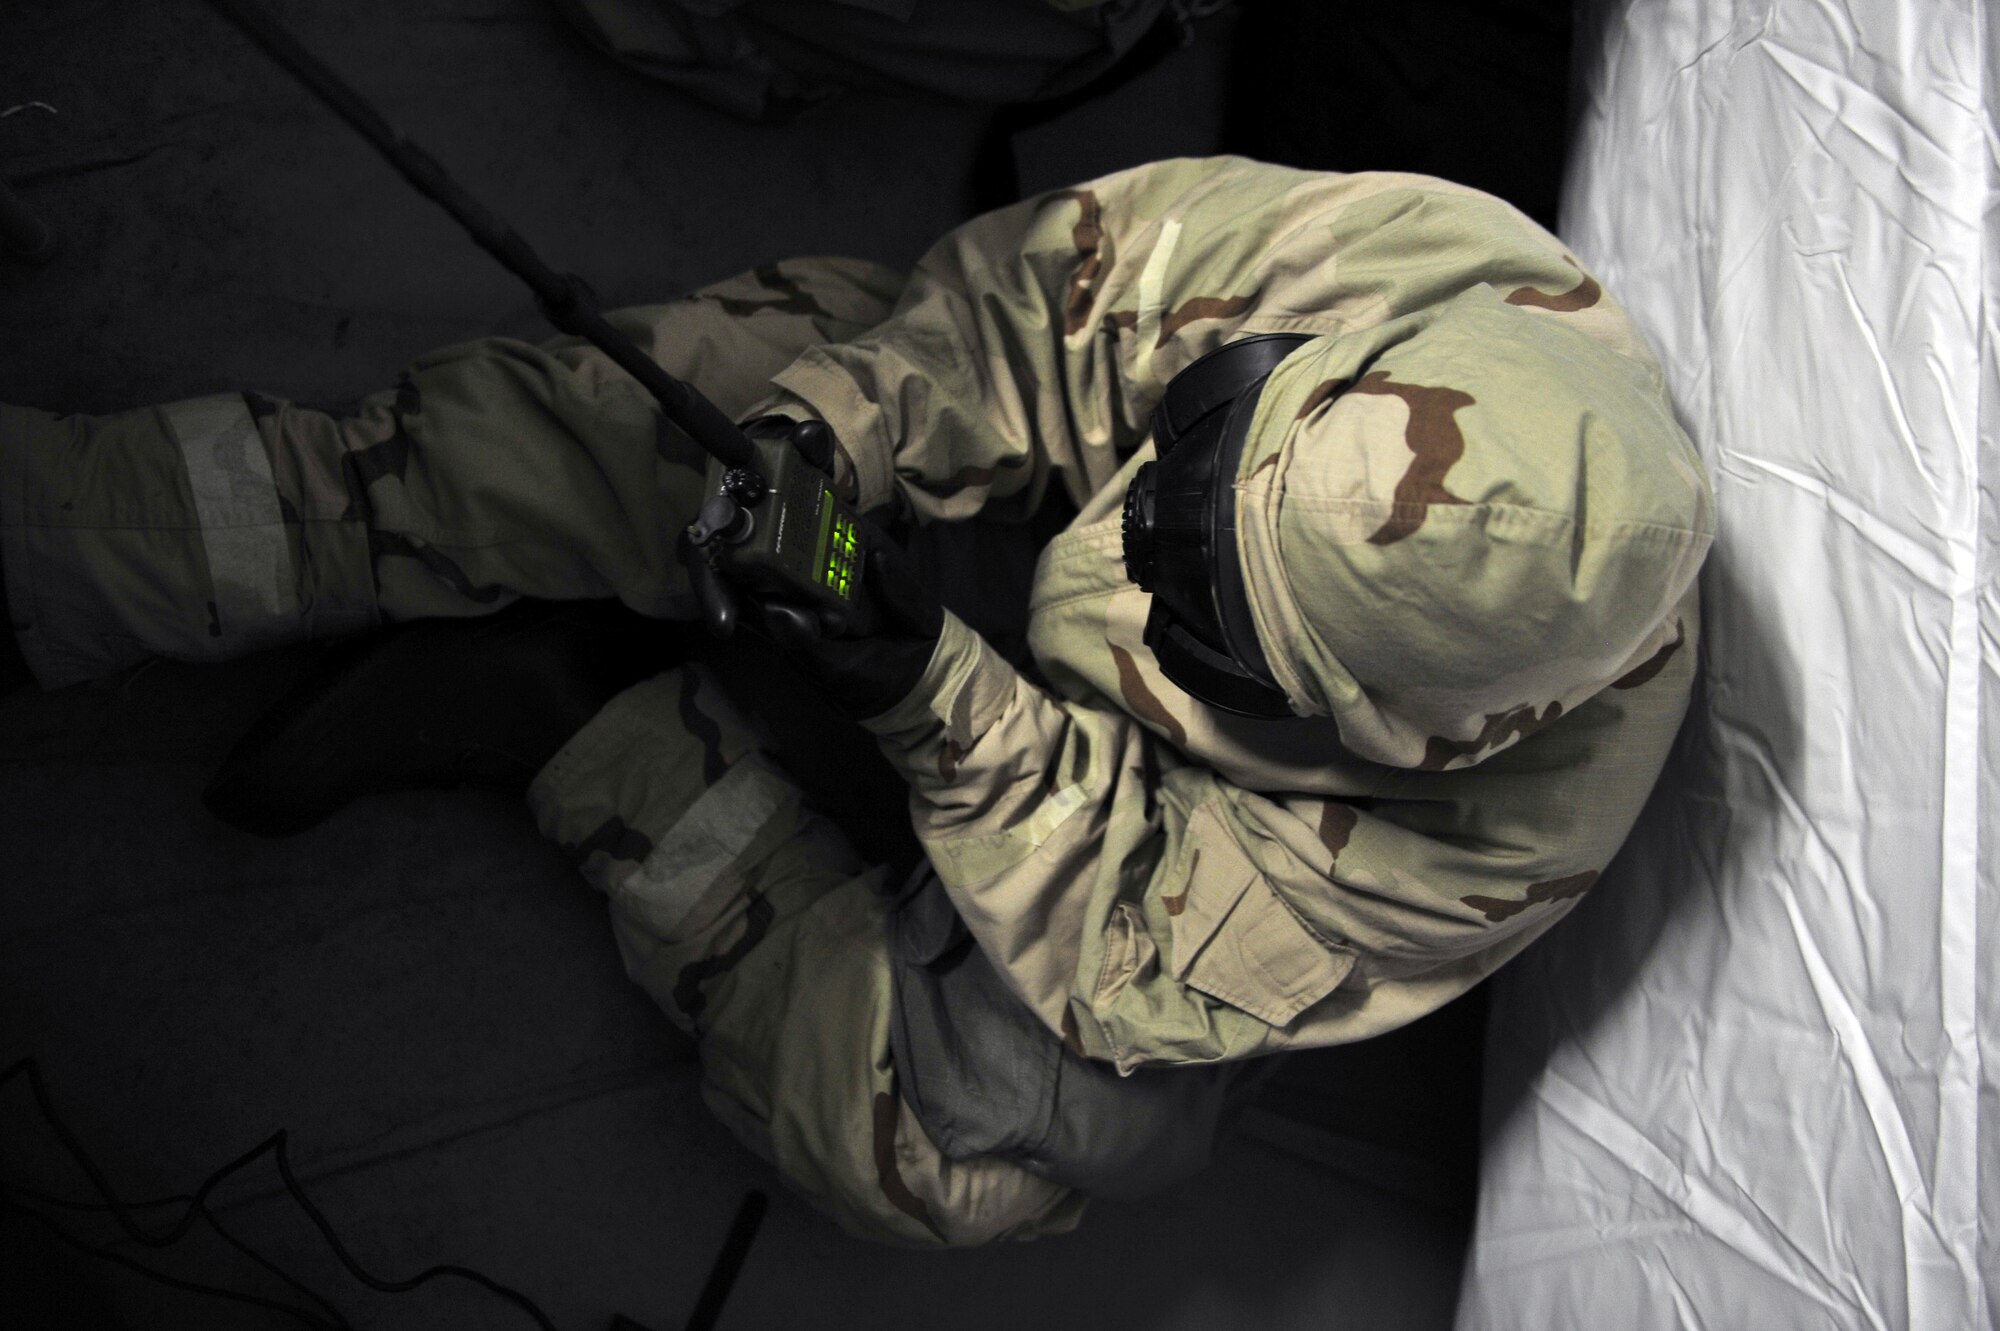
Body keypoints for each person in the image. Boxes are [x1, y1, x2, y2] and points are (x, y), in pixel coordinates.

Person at [0, 156, 1712, 1246]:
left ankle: (585, 732)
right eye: (1210, 461)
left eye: (1211, 609)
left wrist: (931, 693)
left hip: (1102, 824)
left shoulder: (1483, 849)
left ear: (1396, 733)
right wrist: (840, 432)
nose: (1155, 547)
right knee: (700, 407)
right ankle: (77, 550)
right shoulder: (1433, 275)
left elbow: (1135, 947)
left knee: (958, 1157)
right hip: (995, 511)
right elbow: (1058, 299)